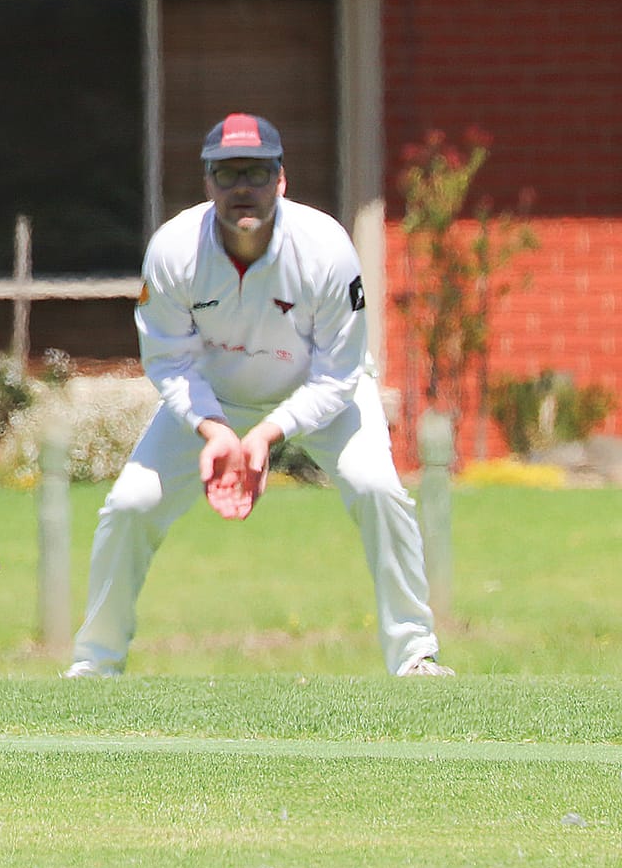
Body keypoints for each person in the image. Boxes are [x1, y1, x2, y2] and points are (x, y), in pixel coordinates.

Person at [65, 114, 451, 678]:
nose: (242, 186)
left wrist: (270, 433)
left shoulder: (326, 248)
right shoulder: (174, 250)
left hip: (321, 393)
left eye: (257, 172)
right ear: (207, 183)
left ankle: (415, 656)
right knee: (129, 505)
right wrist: (215, 428)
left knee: (377, 488)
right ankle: (95, 666)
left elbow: (340, 373)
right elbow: (168, 359)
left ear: (281, 180)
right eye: (227, 173)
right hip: (214, 399)